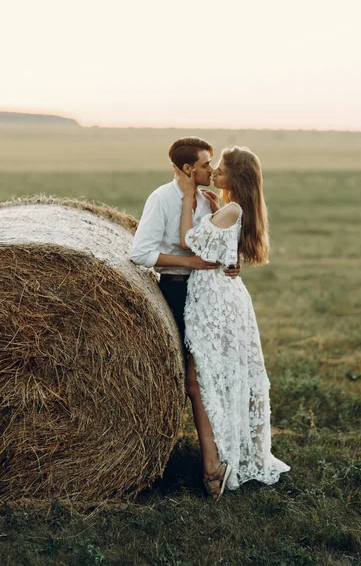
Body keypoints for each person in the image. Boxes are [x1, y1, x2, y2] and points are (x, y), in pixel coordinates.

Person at [172, 146, 291, 502]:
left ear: (235, 178)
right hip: (222, 295)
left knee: (206, 377)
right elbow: (224, 248)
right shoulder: (233, 208)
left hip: (215, 303)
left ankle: (221, 462)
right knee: (214, 376)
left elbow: (186, 242)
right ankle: (222, 458)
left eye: (221, 170)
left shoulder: (233, 208)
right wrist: (208, 203)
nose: (216, 173)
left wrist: (187, 197)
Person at [130, 137, 241, 345]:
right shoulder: (161, 198)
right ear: (188, 168)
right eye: (206, 164)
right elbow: (140, 254)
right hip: (177, 289)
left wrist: (232, 265)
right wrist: (189, 263)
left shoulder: (207, 201)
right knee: (184, 352)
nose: (212, 170)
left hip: (210, 289)